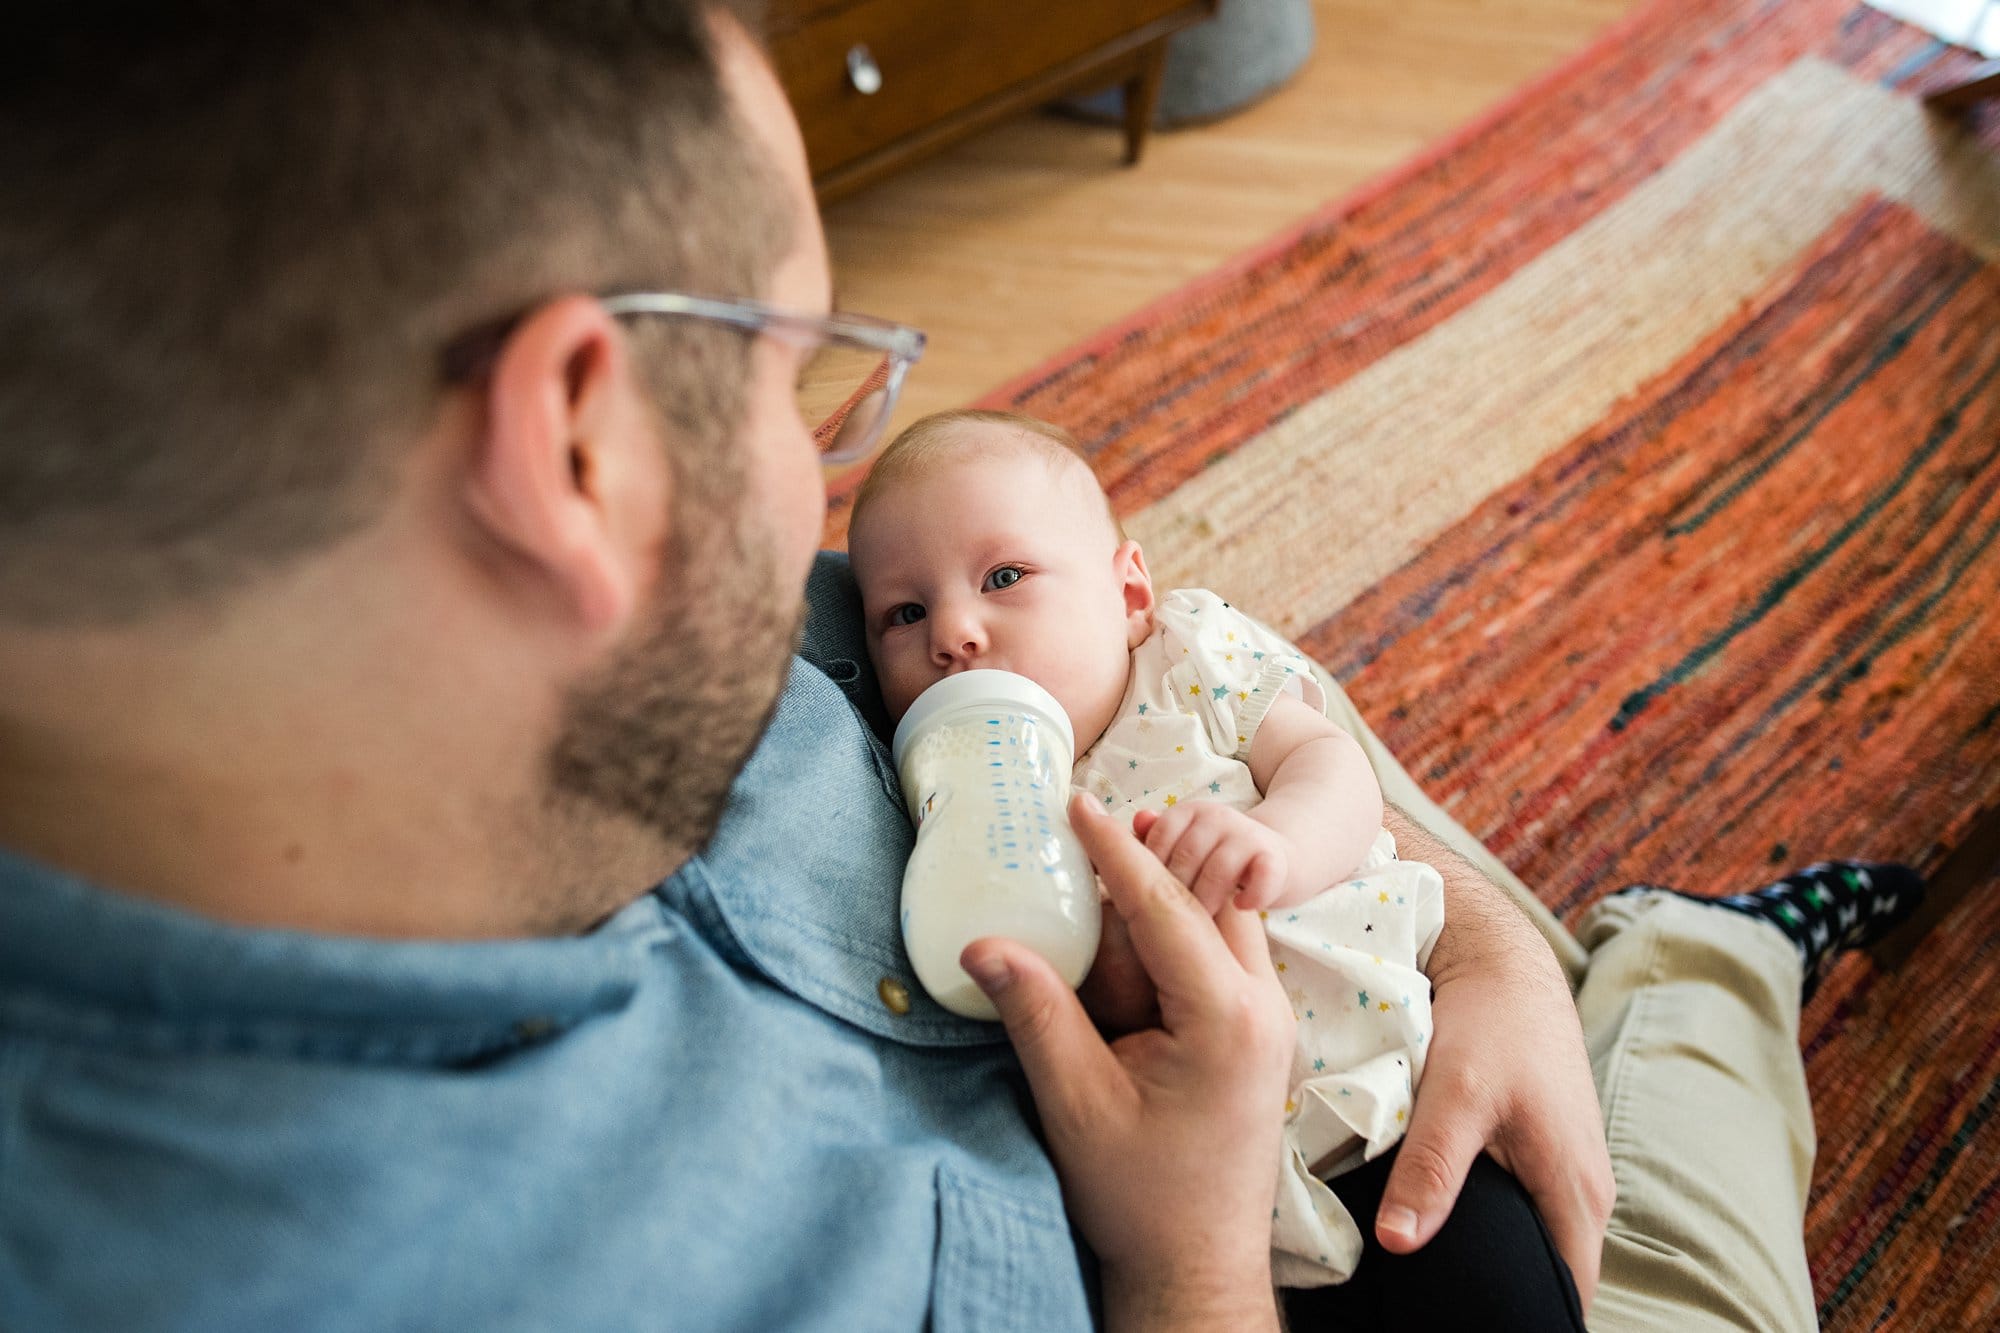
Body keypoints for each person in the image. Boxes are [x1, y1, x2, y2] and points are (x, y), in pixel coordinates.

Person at [0, 3, 1921, 1331]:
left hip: (1393, 1037)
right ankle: (1709, 948)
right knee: (1691, 1112)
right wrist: (1184, 1271)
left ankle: (1611, 958)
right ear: (575, 452)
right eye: (790, 364)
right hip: (1312, 1253)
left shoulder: (658, 640)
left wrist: (1480, 952)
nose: (823, 469)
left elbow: (1180, 657)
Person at [847, 408, 1463, 1291]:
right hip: (1218, 1189)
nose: (953, 633)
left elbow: (1333, 764)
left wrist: (1275, 843)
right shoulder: (952, 787)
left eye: (1004, 575)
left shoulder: (1186, 661)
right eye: (903, 613)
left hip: (1395, 1059)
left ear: (1130, 594)